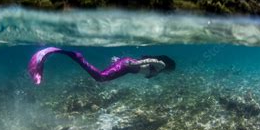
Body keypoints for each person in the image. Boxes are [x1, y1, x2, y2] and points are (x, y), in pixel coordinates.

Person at [28, 47, 175, 84]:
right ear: (169, 67)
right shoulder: (161, 65)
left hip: (126, 65)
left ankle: (70, 55)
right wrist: (136, 63)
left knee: (101, 77)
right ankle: (75, 56)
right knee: (100, 78)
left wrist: (123, 62)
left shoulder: (158, 71)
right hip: (128, 65)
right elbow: (152, 61)